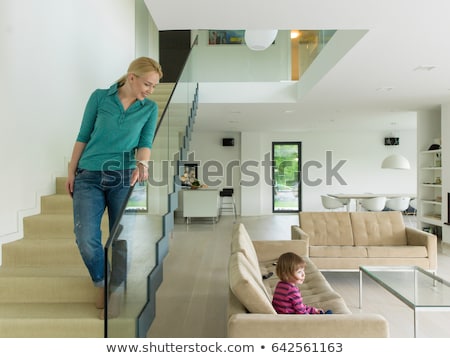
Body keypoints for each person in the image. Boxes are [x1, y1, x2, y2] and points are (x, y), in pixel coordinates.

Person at [65, 57, 163, 314]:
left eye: (154, 86)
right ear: (131, 77)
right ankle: (101, 281)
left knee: (121, 237)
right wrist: (71, 169)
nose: (150, 90)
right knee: (85, 238)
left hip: (123, 177)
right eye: (147, 84)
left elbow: (145, 143)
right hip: (89, 176)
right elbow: (83, 135)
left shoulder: (149, 108)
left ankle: (117, 288)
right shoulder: (99, 98)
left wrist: (142, 165)